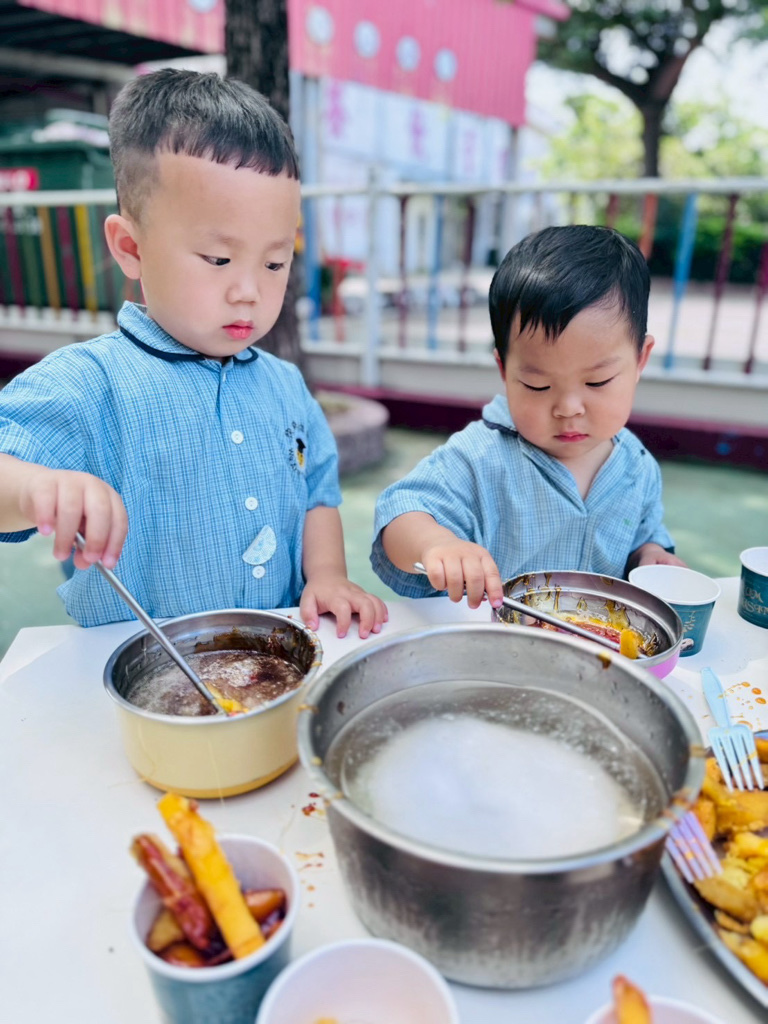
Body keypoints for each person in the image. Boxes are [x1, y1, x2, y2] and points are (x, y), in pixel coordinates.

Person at [0, 69, 387, 638]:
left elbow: (317, 495)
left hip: (273, 656)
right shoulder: (89, 383)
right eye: (218, 260)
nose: (249, 291)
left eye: (274, 262)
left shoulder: (285, 384)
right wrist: (36, 488)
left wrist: (327, 575)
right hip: (139, 661)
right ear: (131, 247)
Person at [371, 225, 685, 609]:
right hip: (493, 640)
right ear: (504, 370)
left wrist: (650, 555)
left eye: (597, 381)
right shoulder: (480, 458)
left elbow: (645, 536)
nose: (568, 407)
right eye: (538, 385)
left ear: (640, 360)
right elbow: (400, 514)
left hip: (598, 640)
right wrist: (436, 543)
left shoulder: (637, 465)